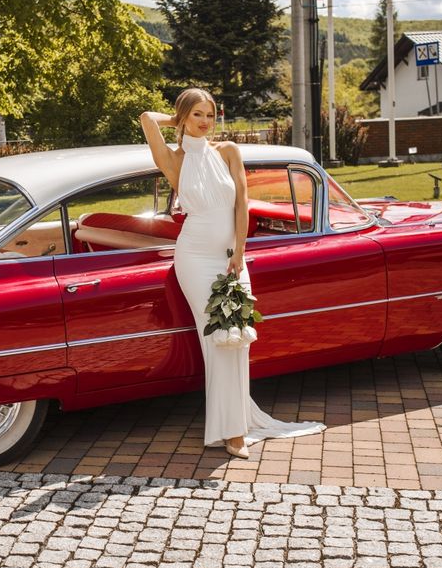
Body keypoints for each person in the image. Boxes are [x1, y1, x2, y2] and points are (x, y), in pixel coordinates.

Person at [139, 88, 326, 459]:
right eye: (197, 114)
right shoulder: (174, 159)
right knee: (216, 340)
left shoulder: (227, 151)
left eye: (209, 114)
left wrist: (239, 252)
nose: (205, 121)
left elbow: (242, 203)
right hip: (194, 258)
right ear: (183, 117)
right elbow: (146, 118)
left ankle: (236, 421)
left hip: (231, 258)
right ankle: (231, 432)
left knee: (238, 340)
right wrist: (176, 120)